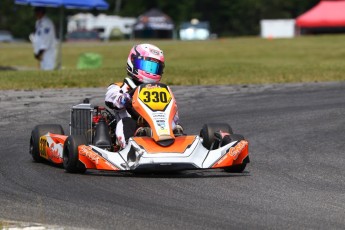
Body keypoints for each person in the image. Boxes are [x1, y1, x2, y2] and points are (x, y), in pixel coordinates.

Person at [105, 43, 183, 148]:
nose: (150, 72)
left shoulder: (161, 90)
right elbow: (110, 98)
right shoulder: (121, 87)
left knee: (175, 126)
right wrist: (124, 98)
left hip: (158, 127)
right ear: (133, 62)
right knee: (126, 122)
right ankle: (129, 147)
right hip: (132, 126)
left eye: (154, 68)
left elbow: (174, 113)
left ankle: (177, 143)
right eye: (146, 66)